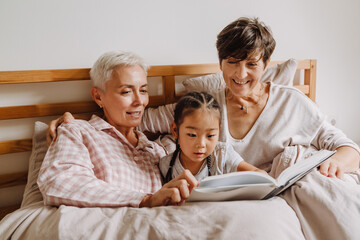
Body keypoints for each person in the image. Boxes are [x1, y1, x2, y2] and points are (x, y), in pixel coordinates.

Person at [48, 17, 360, 180]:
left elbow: (349, 148)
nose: (241, 73)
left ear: (266, 65)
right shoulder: (203, 103)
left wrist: (336, 164)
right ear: (221, 62)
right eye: (232, 61)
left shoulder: (292, 102)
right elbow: (137, 116)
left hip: (282, 189)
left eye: (252, 63)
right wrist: (75, 122)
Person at [37, 51, 198, 208]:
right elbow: (61, 182)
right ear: (98, 97)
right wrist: (145, 200)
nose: (139, 101)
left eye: (143, 90)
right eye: (126, 91)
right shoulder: (77, 131)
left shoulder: (157, 151)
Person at [160, 91, 266, 183]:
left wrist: (263, 177)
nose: (201, 144)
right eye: (192, 135)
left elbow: (257, 174)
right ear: (175, 130)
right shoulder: (166, 166)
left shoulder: (222, 155)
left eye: (210, 135)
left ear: (219, 131)